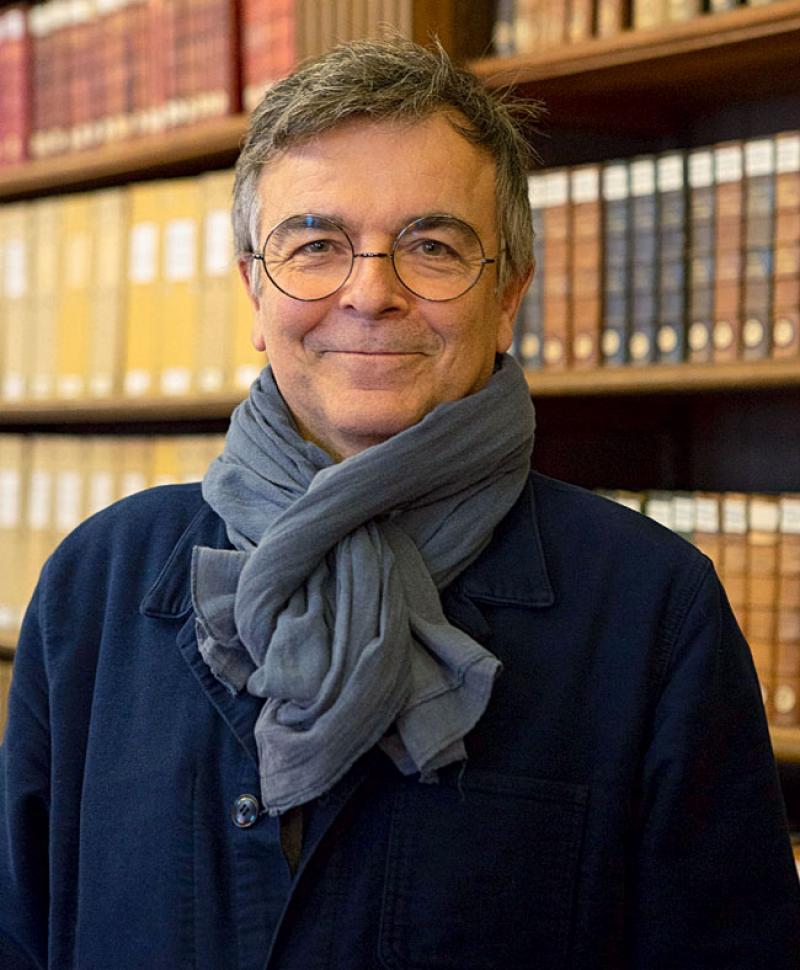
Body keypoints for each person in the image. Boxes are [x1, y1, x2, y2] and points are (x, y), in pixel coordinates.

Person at [1, 37, 799, 970]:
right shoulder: (97, 584)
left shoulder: (654, 610)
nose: (371, 293)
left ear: (509, 296)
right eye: (315, 245)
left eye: (432, 246)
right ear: (255, 291)